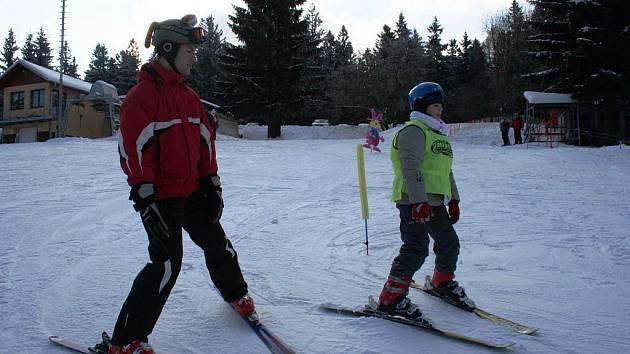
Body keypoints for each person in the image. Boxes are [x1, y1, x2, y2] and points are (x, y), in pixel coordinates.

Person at [99, 15, 256, 354]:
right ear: (167, 49)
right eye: (190, 50)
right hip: (162, 195)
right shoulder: (142, 97)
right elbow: (131, 150)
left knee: (218, 243)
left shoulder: (188, 96)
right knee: (167, 263)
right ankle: (126, 342)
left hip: (193, 188)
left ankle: (236, 294)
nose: (194, 57)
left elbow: (205, 142)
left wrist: (211, 181)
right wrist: (145, 196)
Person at [377, 82, 475, 321]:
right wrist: (418, 201)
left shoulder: (436, 134)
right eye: (434, 105)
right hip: (413, 199)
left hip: (434, 200)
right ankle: (391, 298)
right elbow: (410, 167)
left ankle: (442, 281)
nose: (440, 109)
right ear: (421, 106)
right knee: (416, 248)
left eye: (441, 104)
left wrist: (454, 198)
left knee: (448, 241)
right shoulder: (414, 130)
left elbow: (445, 170)